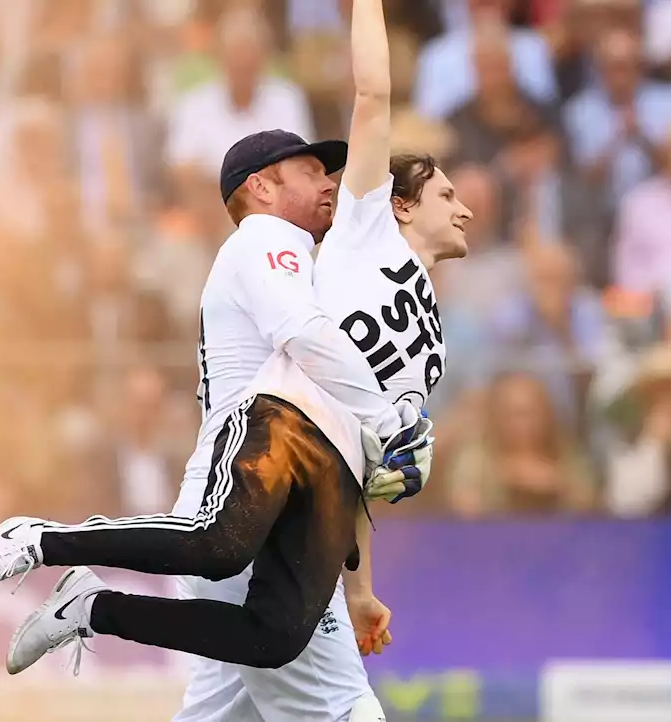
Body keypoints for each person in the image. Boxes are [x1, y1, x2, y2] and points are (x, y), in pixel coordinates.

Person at [0, 102, 434, 683]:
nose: (328, 181)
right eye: (310, 171)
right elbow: (304, 335)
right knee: (217, 548)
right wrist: (389, 422)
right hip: (259, 434)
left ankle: (89, 608)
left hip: (313, 466)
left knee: (276, 636)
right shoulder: (265, 238)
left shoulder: (311, 260)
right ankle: (34, 539)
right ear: (261, 186)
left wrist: (360, 557)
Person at [174, 1, 473, 720]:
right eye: (446, 192)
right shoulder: (360, 232)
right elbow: (373, 91)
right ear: (401, 205)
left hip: (287, 500)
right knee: (346, 712)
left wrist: (359, 583)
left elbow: (355, 462)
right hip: (257, 502)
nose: (464, 207)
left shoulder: (427, 338)